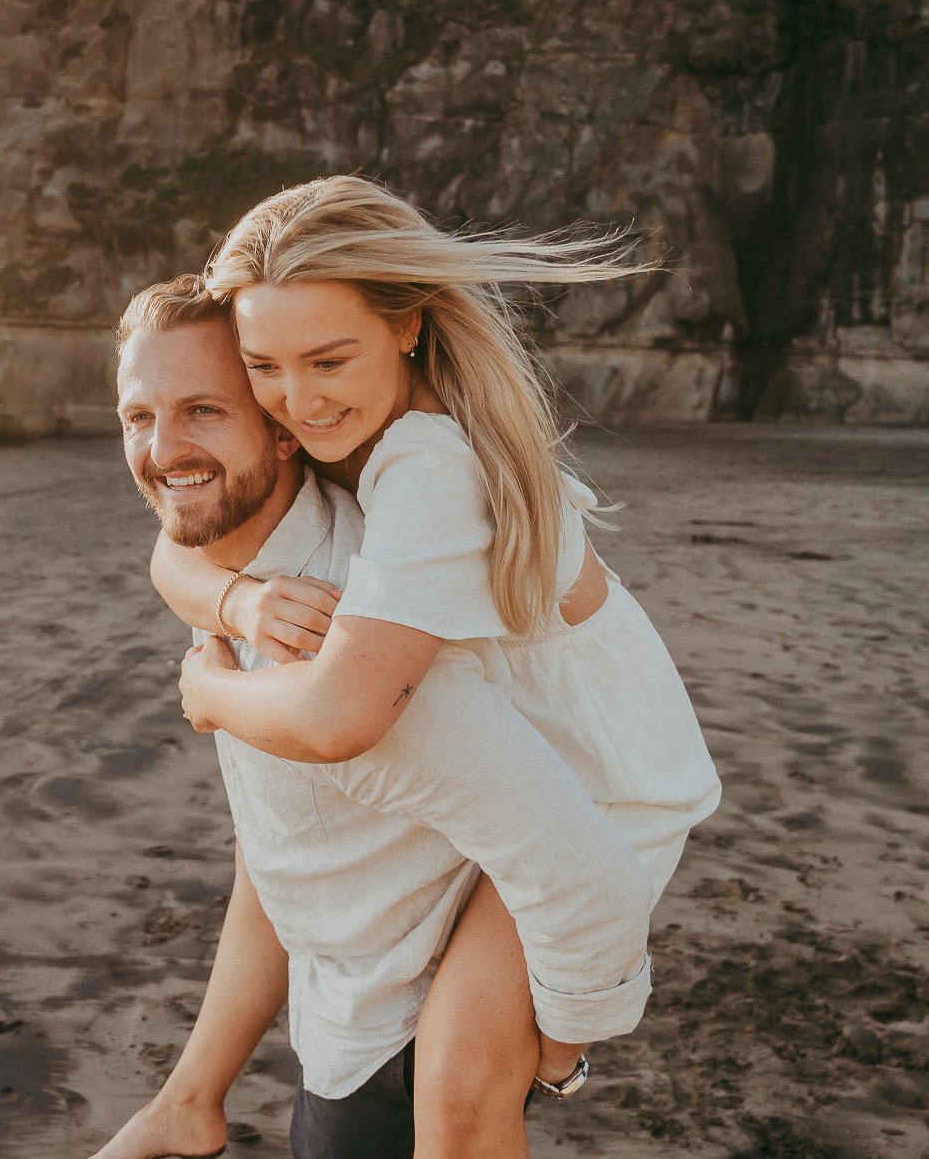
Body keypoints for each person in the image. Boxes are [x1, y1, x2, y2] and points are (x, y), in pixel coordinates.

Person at [155, 176, 724, 1155]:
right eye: (264, 366)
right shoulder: (337, 423)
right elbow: (179, 544)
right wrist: (234, 600)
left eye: (327, 357)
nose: (296, 397)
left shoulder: (431, 463)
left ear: (407, 323)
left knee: (459, 1097)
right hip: (516, 765)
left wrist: (210, 689)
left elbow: (340, 714)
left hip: (603, 780)